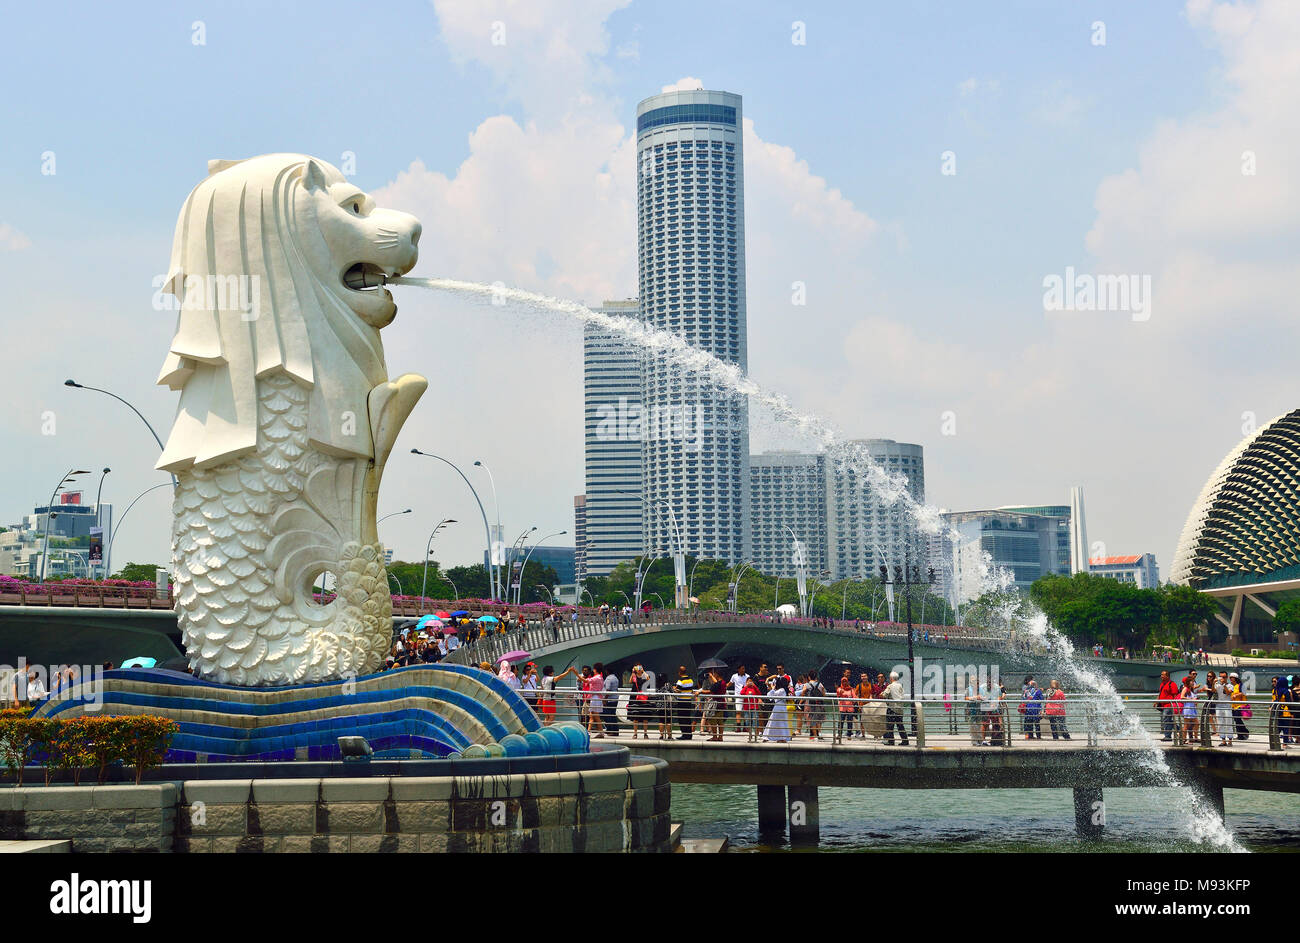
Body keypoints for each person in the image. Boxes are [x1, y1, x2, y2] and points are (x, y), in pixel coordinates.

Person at [671, 666, 697, 740]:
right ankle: (689, 735)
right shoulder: (690, 680)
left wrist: (674, 688)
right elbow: (690, 690)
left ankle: (684, 735)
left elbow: (678, 691)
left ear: (680, 672)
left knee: (682, 719)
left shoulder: (680, 681)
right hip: (688, 701)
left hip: (681, 702)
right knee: (687, 718)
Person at [763, 675, 791, 743]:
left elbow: (770, 696)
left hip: (778, 708)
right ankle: (780, 737)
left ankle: (771, 736)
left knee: (774, 722)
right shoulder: (783, 690)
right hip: (781, 708)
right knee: (780, 723)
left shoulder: (781, 690)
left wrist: (772, 688)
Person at [628, 665, 653, 739]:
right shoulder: (634, 676)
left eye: (640, 668)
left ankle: (645, 733)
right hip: (635, 698)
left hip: (643, 698)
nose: (639, 670)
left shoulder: (644, 676)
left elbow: (649, 680)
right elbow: (630, 681)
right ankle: (635, 733)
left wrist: (643, 671)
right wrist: (633, 672)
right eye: (637, 668)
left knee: (645, 717)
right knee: (635, 717)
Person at [882, 671, 907, 746]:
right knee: (900, 725)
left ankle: (891, 741)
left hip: (892, 708)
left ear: (891, 678)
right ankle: (905, 740)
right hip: (899, 708)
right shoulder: (900, 685)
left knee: (890, 726)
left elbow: (885, 695)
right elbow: (902, 695)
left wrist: (882, 694)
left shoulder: (890, 686)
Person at [702, 668, 726, 741]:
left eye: (715, 674)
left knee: (713, 721)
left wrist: (700, 692)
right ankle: (720, 737)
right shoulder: (723, 682)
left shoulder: (718, 683)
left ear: (717, 675)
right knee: (720, 721)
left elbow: (711, 690)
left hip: (715, 705)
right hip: (722, 703)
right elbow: (717, 685)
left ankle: (715, 736)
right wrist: (712, 677)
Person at [599, 662, 621, 737]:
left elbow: (607, 689)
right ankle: (613, 730)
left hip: (609, 699)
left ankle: (612, 731)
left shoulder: (608, 679)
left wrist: (604, 699)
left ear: (607, 672)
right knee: (612, 715)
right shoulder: (615, 678)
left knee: (609, 715)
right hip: (615, 699)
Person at [1157, 670, 1180, 741]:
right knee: (1168, 720)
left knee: (1166, 719)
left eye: (1163, 675)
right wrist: (1156, 701)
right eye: (1161, 675)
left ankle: (1168, 736)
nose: (1161, 676)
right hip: (1163, 705)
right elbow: (1160, 693)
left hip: (1169, 705)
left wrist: (1174, 705)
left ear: (1167, 676)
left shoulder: (1172, 684)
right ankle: (1179, 729)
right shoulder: (1162, 684)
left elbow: (1175, 695)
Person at [804, 671, 827, 740]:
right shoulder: (820, 684)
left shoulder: (807, 684)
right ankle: (819, 733)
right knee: (818, 720)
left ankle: (814, 735)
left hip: (811, 705)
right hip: (819, 704)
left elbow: (803, 692)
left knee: (812, 720)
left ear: (809, 677)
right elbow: (824, 694)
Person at [729, 664, 751, 733]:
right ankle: (738, 727)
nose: (743, 670)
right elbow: (730, 683)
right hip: (738, 696)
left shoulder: (747, 676)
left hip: (746, 696)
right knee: (738, 711)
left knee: (745, 712)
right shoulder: (734, 676)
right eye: (742, 669)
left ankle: (745, 727)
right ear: (738, 669)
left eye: (744, 669)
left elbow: (750, 685)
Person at [836, 672, 857, 742]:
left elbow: (855, 698)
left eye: (845, 681)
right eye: (843, 681)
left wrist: (851, 700)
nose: (844, 683)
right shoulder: (839, 689)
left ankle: (849, 735)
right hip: (842, 708)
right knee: (841, 722)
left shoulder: (851, 689)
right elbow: (838, 693)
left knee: (849, 722)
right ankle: (839, 734)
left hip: (850, 709)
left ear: (848, 682)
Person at [1228, 673, 1250, 741]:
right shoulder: (1233, 686)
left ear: (1235, 678)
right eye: (1230, 678)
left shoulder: (1241, 685)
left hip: (1241, 705)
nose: (1231, 679)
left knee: (1238, 720)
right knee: (1236, 720)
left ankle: (1244, 732)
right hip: (1234, 706)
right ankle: (1240, 735)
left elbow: (1243, 693)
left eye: (1232, 677)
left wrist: (1236, 695)